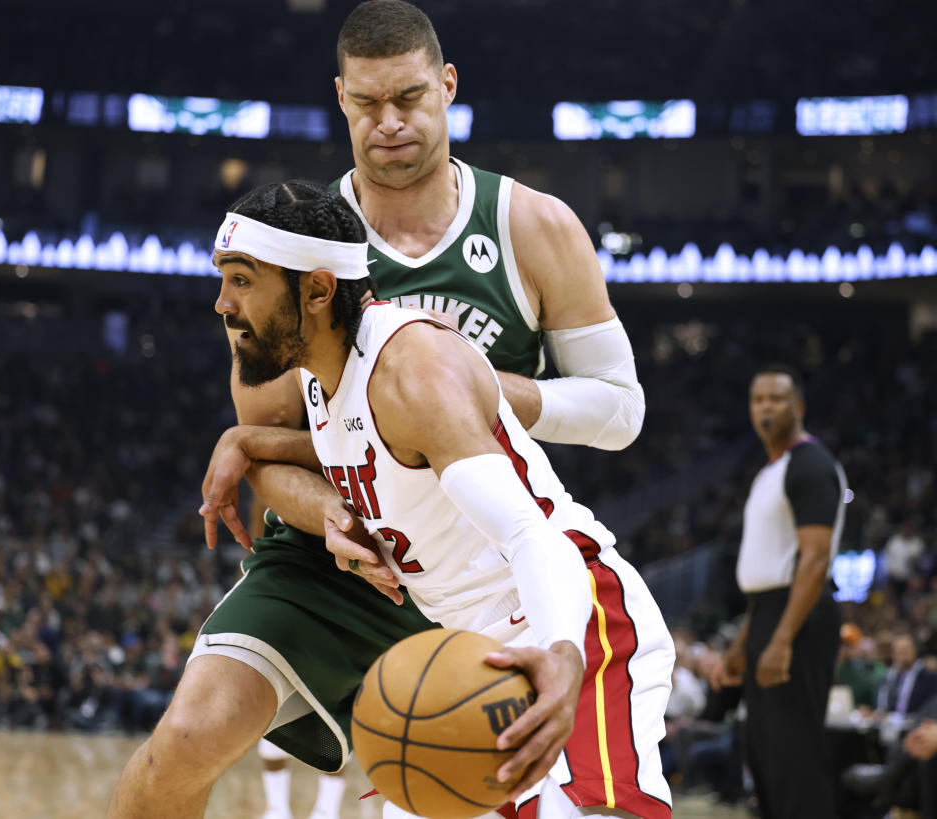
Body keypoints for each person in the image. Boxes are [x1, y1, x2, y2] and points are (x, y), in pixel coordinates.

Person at [109, 2, 647, 816]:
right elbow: (277, 445)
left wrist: (463, 386)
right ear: (340, 99)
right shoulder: (287, 247)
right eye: (366, 104)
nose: (388, 122)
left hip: (469, 554)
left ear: (448, 86)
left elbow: (618, 410)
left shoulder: (529, 227)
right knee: (183, 741)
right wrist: (322, 505)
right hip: (333, 552)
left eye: (409, 98)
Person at [206, 179, 675, 818]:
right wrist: (248, 440)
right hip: (460, 648)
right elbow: (369, 445)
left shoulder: (410, 369)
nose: (222, 304)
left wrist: (564, 656)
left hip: (567, 624)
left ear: (316, 291)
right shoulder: (327, 371)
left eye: (241, 280)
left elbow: (531, 536)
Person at [709, 364, 848, 819]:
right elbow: (768, 575)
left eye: (776, 398)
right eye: (758, 399)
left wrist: (782, 639)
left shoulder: (810, 463)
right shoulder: (772, 470)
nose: (766, 407)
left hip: (800, 615)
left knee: (795, 755)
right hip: (771, 611)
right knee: (765, 754)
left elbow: (813, 561)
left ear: (798, 407)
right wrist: (744, 645)